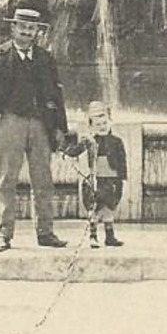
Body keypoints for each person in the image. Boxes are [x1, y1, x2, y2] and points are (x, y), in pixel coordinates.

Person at [0, 6, 68, 251]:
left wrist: (60, 127)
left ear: (38, 31)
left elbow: (57, 94)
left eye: (32, 28)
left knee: (43, 181)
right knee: (7, 179)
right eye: (23, 27)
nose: (27, 32)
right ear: (13, 27)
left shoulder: (45, 58)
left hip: (40, 125)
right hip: (10, 121)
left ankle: (46, 232)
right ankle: (3, 234)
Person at [63, 101, 127, 248]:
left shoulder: (117, 141)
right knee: (95, 209)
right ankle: (93, 236)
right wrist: (65, 150)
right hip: (96, 180)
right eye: (98, 125)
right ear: (91, 127)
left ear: (110, 122)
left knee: (109, 209)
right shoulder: (90, 141)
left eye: (105, 123)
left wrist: (122, 177)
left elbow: (122, 159)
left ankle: (110, 237)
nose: (102, 127)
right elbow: (76, 150)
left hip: (112, 180)